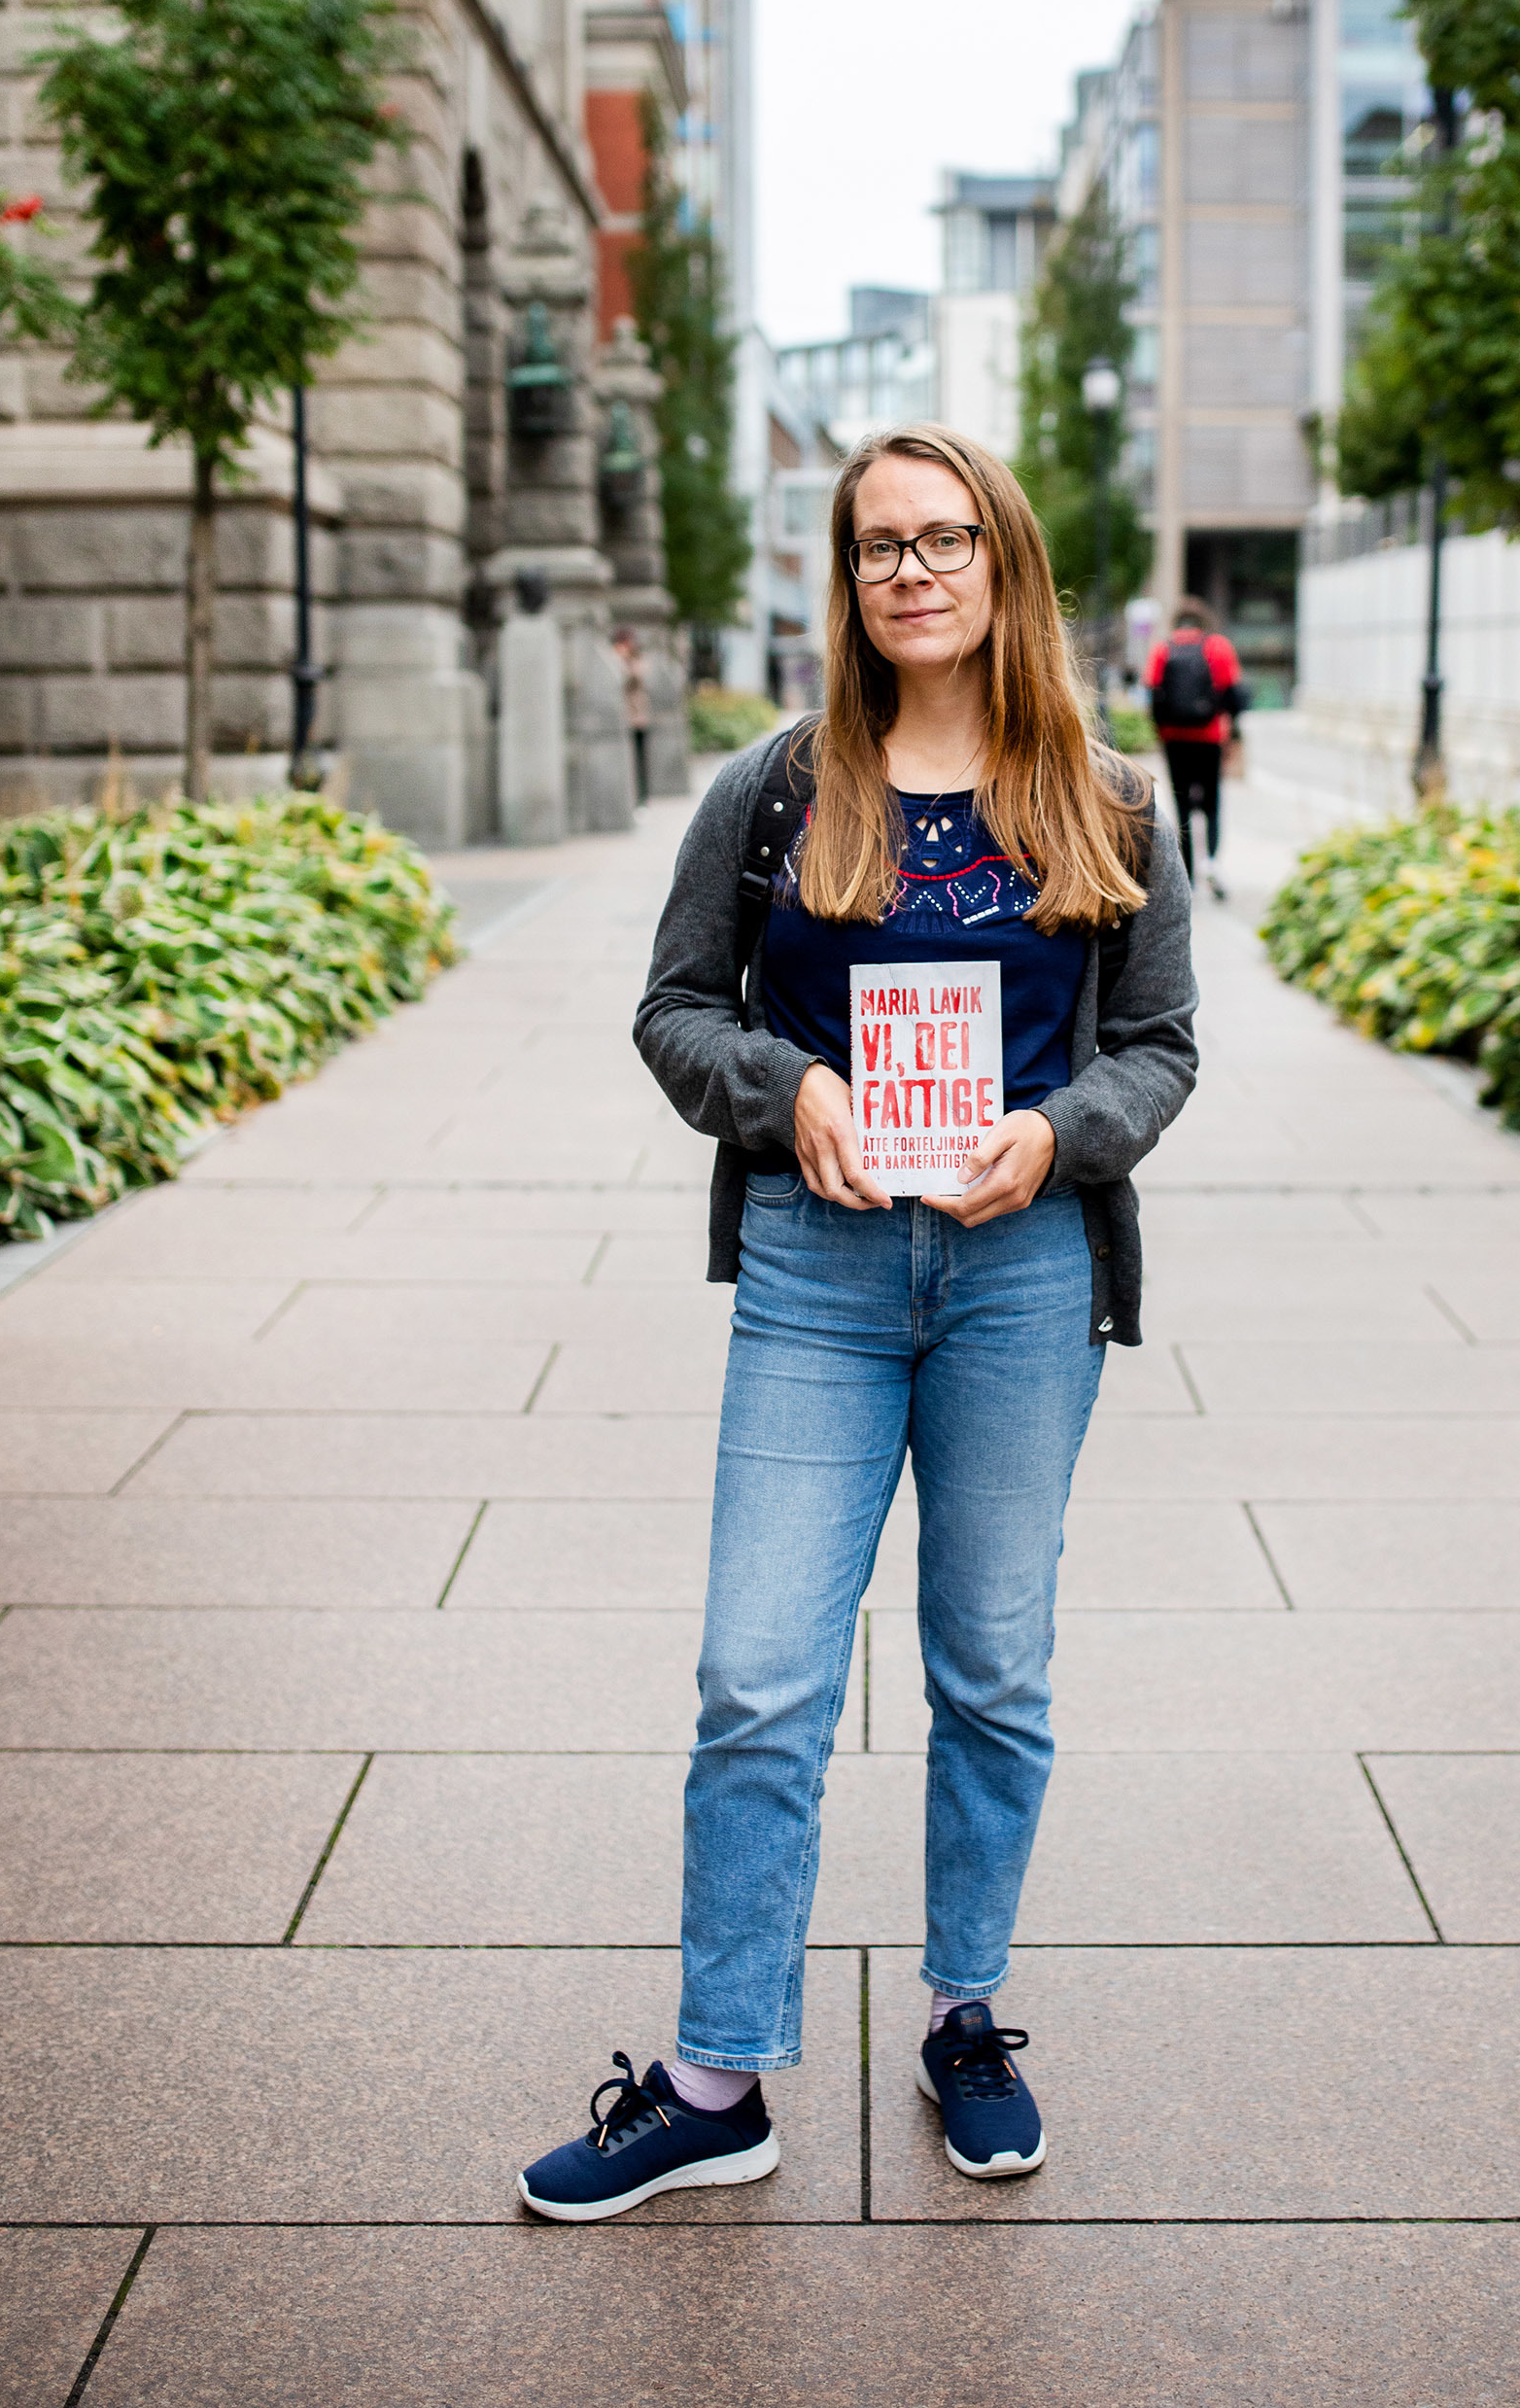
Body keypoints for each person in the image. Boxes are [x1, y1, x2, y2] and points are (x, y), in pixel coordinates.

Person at [516, 423, 1197, 2219]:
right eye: (878, 544)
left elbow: (1161, 1047)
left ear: (1003, 565)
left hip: (1023, 1275)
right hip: (819, 1280)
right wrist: (779, 1089)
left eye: (944, 538)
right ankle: (716, 2075)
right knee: (758, 1677)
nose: (911, 569)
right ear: (848, 578)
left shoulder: (1108, 800)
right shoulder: (774, 795)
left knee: (994, 1673)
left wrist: (1061, 1132)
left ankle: (964, 2015)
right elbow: (675, 1009)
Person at [1146, 597, 1245, 901]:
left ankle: (1187, 876)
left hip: (1175, 739)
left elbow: (1151, 693)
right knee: (1213, 802)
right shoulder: (1218, 647)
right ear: (1202, 622)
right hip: (1210, 737)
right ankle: (1211, 863)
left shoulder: (1162, 649)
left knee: (1182, 805)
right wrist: (1232, 729)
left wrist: (1160, 734)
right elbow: (1235, 693)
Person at [613, 626, 651, 806]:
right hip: (623, 719)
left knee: (640, 760)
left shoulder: (636, 659)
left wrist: (628, 659)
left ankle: (642, 797)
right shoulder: (614, 660)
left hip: (637, 718)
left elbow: (638, 676)